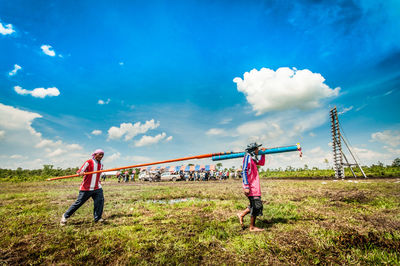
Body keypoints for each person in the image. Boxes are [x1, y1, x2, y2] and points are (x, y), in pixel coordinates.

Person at [60, 149, 105, 225]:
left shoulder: (101, 165)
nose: (101, 156)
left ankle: (98, 218)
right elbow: (80, 171)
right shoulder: (89, 162)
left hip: (97, 188)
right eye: (100, 154)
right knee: (78, 203)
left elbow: (99, 175)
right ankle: (65, 216)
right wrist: (80, 173)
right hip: (86, 188)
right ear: (95, 154)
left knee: (100, 202)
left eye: (102, 155)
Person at [237, 143, 266, 232]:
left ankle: (241, 214)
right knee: (257, 205)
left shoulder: (253, 158)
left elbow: (262, 163)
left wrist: (263, 154)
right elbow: (244, 171)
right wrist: (246, 186)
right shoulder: (248, 157)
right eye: (257, 149)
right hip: (250, 186)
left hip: (255, 185)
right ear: (253, 150)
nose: (258, 150)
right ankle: (252, 227)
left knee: (254, 204)